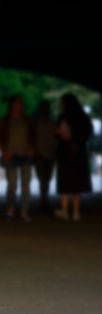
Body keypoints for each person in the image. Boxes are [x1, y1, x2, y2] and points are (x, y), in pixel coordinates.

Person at [53, 93, 93, 221]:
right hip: (78, 153)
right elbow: (87, 133)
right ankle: (76, 211)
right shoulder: (82, 117)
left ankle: (65, 210)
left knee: (65, 182)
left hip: (66, 152)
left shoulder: (63, 117)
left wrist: (64, 136)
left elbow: (58, 134)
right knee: (77, 183)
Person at [0, 94, 35, 221]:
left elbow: (34, 136)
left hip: (25, 154)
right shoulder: (5, 120)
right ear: (13, 104)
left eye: (21, 102)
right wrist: (3, 151)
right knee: (12, 183)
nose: (20, 104)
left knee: (26, 184)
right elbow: (0, 138)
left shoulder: (27, 120)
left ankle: (24, 211)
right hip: (10, 154)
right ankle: (10, 209)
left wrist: (31, 149)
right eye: (18, 102)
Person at [32, 100, 57, 212]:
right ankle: (44, 200)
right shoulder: (36, 124)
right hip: (40, 155)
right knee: (43, 178)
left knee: (47, 178)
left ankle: (44, 199)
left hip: (50, 155)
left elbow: (57, 138)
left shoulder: (52, 124)